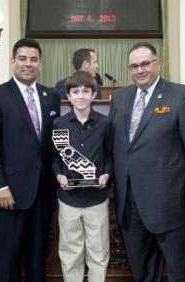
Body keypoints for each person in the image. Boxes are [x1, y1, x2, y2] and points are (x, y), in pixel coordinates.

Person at [109, 42, 185, 282]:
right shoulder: (120, 97)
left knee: (179, 269)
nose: (139, 70)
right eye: (134, 66)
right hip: (129, 202)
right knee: (140, 269)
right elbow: (113, 144)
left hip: (170, 201)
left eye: (144, 64)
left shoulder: (181, 94)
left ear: (157, 63)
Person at [0, 38, 61, 282]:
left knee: (38, 260)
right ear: (12, 61)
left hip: (42, 195)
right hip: (9, 194)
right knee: (8, 260)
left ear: (40, 63)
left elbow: (52, 145)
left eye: (33, 59)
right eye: (22, 59)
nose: (28, 64)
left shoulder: (50, 96)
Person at [52, 71, 111, 282]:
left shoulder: (105, 123)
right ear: (68, 95)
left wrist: (106, 174)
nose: (80, 96)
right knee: (71, 253)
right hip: (68, 200)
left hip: (97, 199)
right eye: (75, 91)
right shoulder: (59, 124)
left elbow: (110, 155)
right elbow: (55, 158)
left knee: (98, 252)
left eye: (86, 91)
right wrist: (59, 175)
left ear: (94, 94)